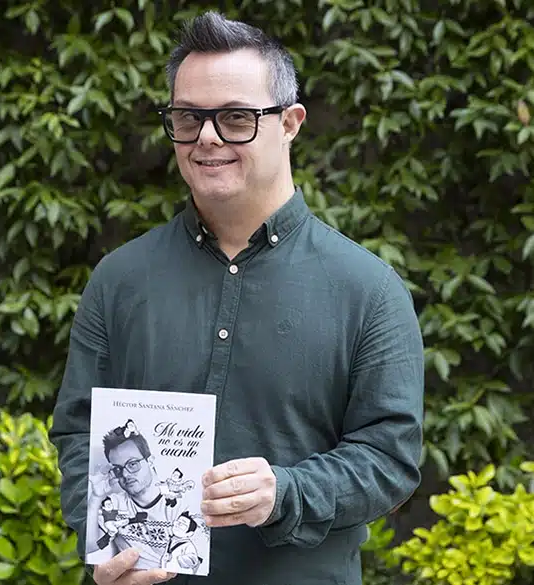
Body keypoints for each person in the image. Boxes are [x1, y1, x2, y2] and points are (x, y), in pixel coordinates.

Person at [48, 10, 425, 585]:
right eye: (188, 117)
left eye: (236, 117)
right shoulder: (118, 280)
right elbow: (78, 433)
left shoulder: (369, 290)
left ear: (291, 122)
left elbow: (390, 459)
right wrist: (103, 538)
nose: (207, 137)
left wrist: (288, 492)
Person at [86, 424, 203, 572]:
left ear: (150, 461)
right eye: (118, 469)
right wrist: (96, 497)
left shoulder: (181, 506)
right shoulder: (114, 504)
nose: (126, 474)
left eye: (133, 464)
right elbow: (91, 545)